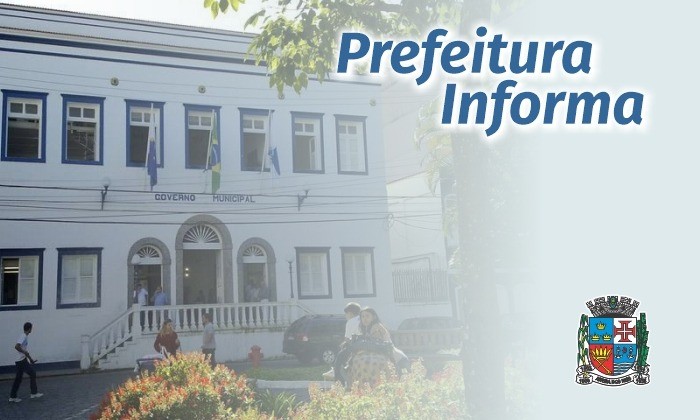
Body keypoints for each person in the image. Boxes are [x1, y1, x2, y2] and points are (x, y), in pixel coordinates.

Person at [345, 307, 398, 387]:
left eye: (367, 316)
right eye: (362, 316)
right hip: (378, 351)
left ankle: (364, 385)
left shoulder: (376, 327)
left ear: (373, 317)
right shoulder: (367, 328)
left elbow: (375, 345)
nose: (364, 319)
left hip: (387, 351)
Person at [323, 302, 361, 382]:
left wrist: (343, 344)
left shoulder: (350, 322)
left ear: (350, 313)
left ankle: (337, 377)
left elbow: (347, 339)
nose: (346, 316)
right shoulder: (362, 319)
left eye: (346, 314)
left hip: (355, 346)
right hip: (365, 343)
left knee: (339, 358)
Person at [9, 322, 43, 403]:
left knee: (18, 379)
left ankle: (12, 397)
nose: (32, 329)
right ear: (29, 329)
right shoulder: (23, 336)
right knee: (32, 373)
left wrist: (31, 360)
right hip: (21, 361)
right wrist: (24, 353)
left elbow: (25, 351)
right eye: (31, 328)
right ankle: (33, 393)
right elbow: (16, 346)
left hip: (21, 360)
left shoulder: (24, 336)